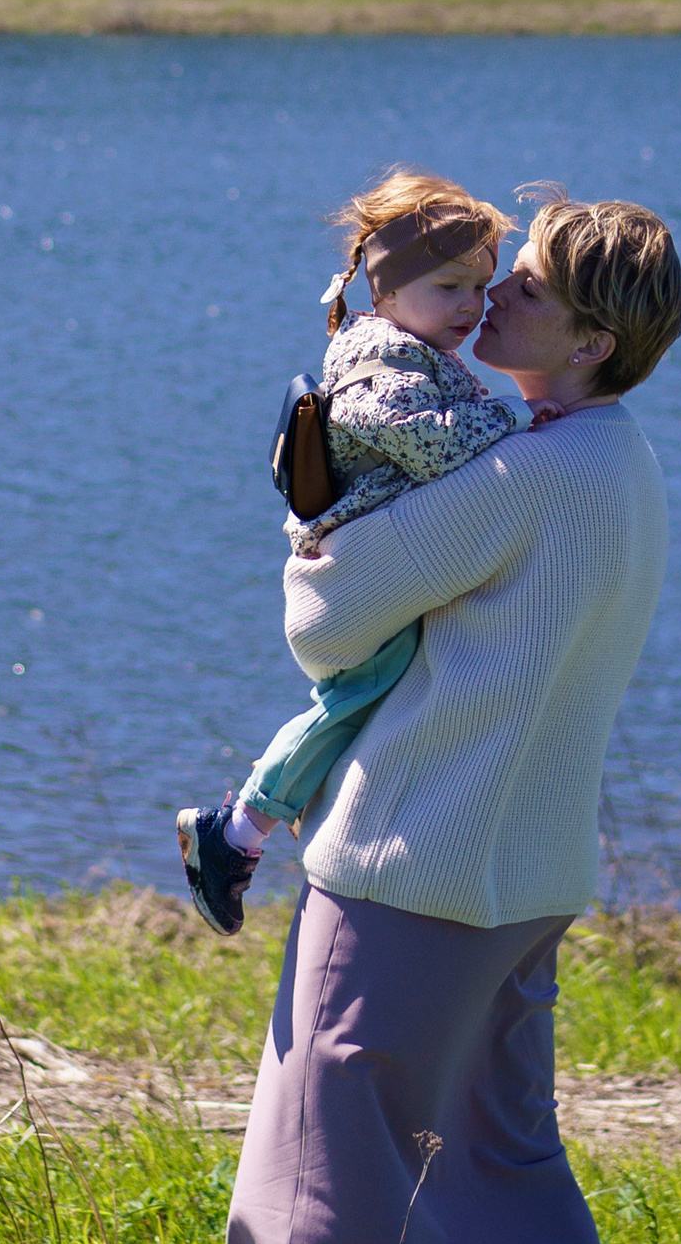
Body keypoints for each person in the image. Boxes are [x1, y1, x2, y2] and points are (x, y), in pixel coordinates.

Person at [223, 190, 681, 1244]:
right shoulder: (621, 462)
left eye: (528, 287)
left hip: (408, 862)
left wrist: (312, 515)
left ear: (590, 340)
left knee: (322, 1150)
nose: (495, 298)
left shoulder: (519, 479)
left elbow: (322, 626)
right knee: (509, 1140)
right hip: (531, 873)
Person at [175, 167, 529, 938]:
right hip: (351, 575)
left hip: (374, 568)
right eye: (449, 287)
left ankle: (308, 814)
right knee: (355, 698)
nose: (470, 306)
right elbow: (425, 443)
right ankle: (237, 829)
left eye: (480, 286)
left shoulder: (404, 344)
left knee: (374, 703)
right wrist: (516, 417)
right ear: (386, 289)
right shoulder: (378, 356)